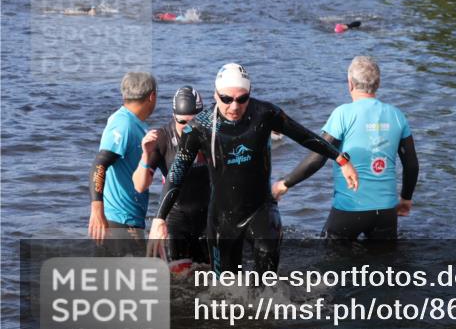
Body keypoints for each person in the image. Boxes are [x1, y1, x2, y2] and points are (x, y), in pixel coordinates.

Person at [148, 63, 360, 273]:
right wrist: (159, 219)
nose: (234, 107)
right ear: (215, 95)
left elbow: (305, 136)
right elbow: (177, 173)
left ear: (249, 93)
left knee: (267, 283)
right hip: (222, 218)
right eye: (226, 99)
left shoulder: (265, 114)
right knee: (226, 291)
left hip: (261, 210)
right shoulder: (199, 127)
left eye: (242, 99)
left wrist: (340, 159)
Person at [273, 56, 419, 241]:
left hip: (350, 209)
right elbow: (411, 165)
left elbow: (318, 157)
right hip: (386, 212)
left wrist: (285, 183)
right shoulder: (397, 116)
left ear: (350, 83)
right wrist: (406, 199)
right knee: (385, 266)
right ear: (378, 83)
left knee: (331, 263)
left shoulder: (343, 114)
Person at [133, 86, 210, 268]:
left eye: (194, 122)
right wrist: (145, 154)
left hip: (207, 217)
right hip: (176, 219)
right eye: (183, 123)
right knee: (179, 280)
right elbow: (139, 186)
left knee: (211, 280)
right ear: (174, 116)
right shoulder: (162, 138)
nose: (189, 129)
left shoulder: (211, 135)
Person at [88, 72, 157, 243]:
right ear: (152, 96)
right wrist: (97, 210)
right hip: (119, 223)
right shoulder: (123, 124)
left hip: (127, 222)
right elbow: (100, 163)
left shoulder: (132, 122)